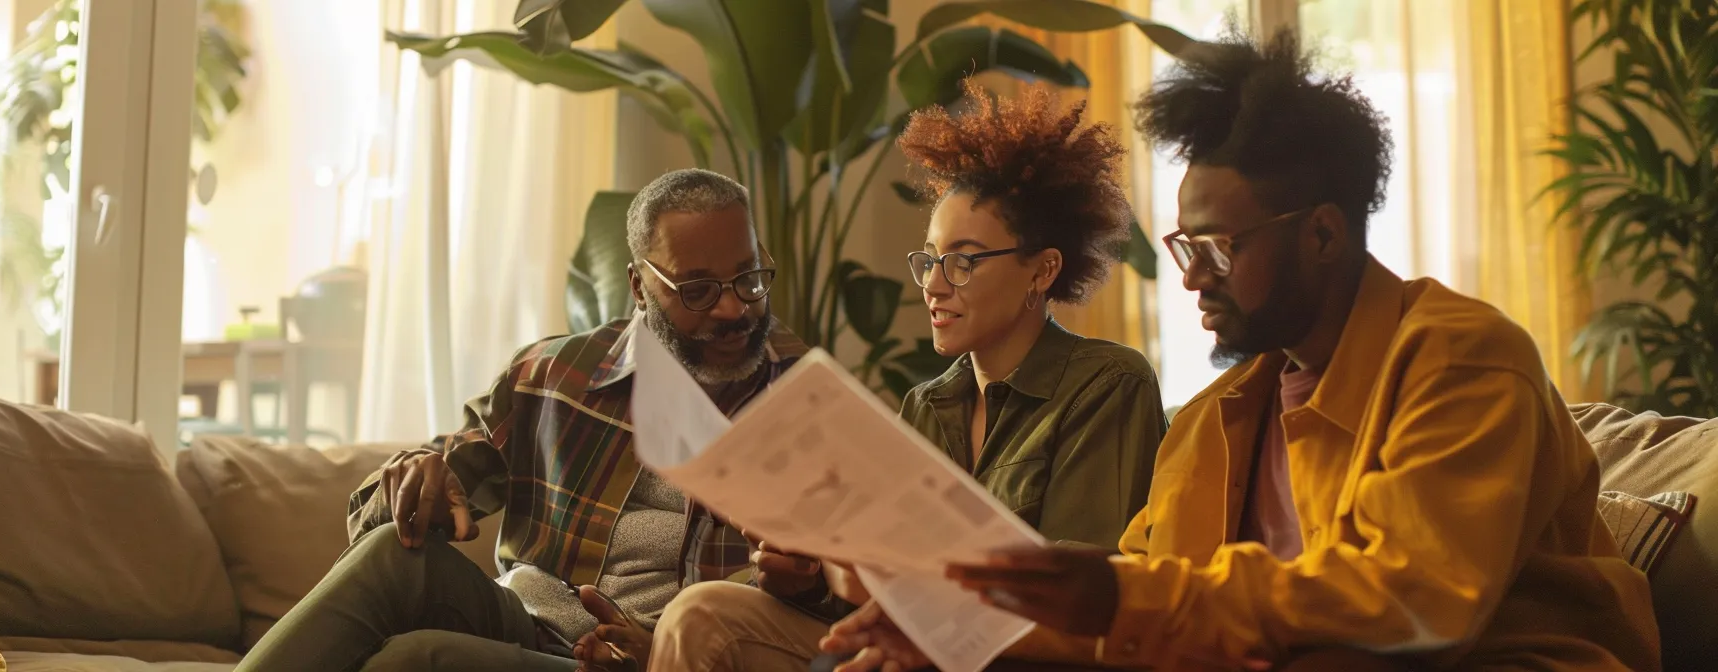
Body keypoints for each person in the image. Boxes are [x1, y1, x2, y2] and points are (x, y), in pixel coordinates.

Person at [819, 27, 1663, 672]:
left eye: (1220, 248)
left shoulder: (1463, 360)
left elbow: (1413, 600)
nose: (1193, 279)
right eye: (1186, 247)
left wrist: (1118, 593)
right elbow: (1139, 610)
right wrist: (953, 633)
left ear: (1323, 236)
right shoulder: (1220, 417)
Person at [648, 81, 1168, 671]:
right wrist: (809, 577)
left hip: (1021, 659)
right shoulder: (928, 405)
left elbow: (1084, 602)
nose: (934, 284)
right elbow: (879, 587)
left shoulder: (1106, 384)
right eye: (929, 259)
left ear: (1043, 271)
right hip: (911, 649)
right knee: (702, 615)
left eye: (963, 261)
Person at [236, 168, 806, 672]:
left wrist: (660, 647)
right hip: (523, 620)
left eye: (749, 279)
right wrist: (414, 482)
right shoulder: (555, 375)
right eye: (699, 290)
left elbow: (832, 603)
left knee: (412, 661)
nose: (735, 309)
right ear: (639, 285)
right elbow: (415, 493)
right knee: (392, 555)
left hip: (650, 658)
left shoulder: (806, 402)